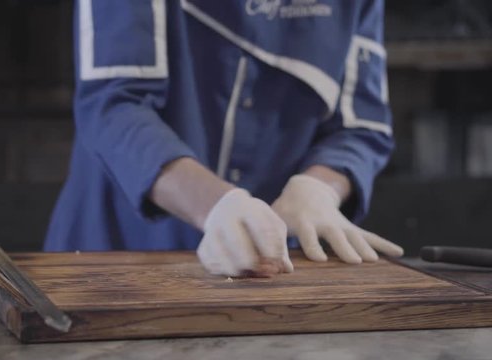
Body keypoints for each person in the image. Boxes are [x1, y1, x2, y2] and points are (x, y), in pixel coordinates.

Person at [44, 0, 404, 276]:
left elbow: (359, 126)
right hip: (119, 250)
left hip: (271, 261)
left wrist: (318, 189)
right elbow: (114, 106)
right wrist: (218, 205)